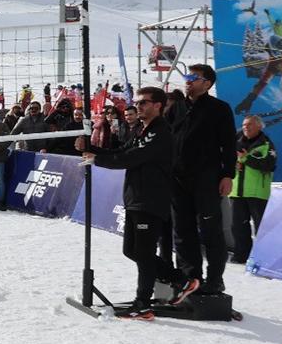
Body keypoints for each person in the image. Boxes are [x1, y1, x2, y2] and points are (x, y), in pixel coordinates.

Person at [81, 87, 198, 319]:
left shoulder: (161, 131)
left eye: (144, 102)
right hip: (135, 197)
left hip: (151, 198)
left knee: (143, 253)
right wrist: (91, 149)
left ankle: (143, 304)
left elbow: (132, 157)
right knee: (131, 250)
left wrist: (98, 160)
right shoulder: (142, 130)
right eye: (139, 102)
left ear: (158, 106)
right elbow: (122, 150)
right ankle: (181, 280)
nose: (139, 106)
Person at [169, 64, 237, 294]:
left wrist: (228, 174)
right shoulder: (177, 108)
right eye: (187, 76)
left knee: (211, 231)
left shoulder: (219, 109)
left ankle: (215, 279)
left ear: (207, 83)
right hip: (178, 180)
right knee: (182, 230)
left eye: (193, 77)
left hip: (206, 179)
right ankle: (190, 278)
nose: (187, 80)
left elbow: (228, 145)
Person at [228, 115, 276, 265]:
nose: (245, 128)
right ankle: (241, 255)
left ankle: (263, 257)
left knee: (260, 226)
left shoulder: (266, 144)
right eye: (244, 125)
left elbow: (269, 165)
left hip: (257, 193)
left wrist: (246, 159)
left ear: (259, 127)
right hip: (237, 191)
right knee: (238, 226)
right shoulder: (234, 142)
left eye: (249, 125)